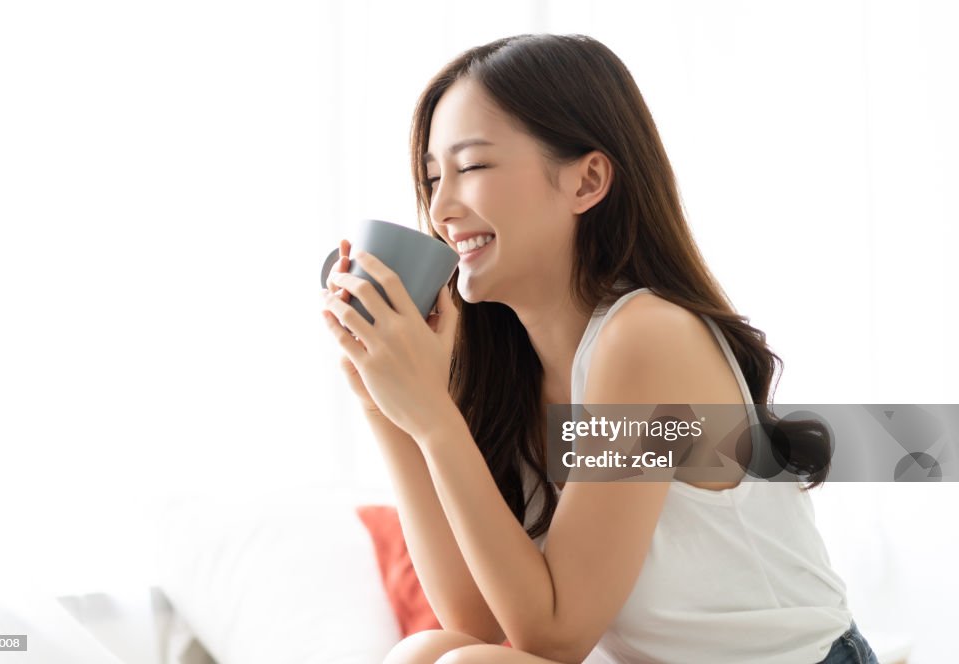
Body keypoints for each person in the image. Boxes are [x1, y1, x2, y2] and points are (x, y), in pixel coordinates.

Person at [320, 33, 879, 664]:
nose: (443, 208)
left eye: (471, 167)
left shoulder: (647, 339)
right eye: (431, 177)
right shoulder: (511, 368)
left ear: (587, 181)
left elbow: (554, 636)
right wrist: (384, 402)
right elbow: (474, 615)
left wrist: (432, 416)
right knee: (429, 652)